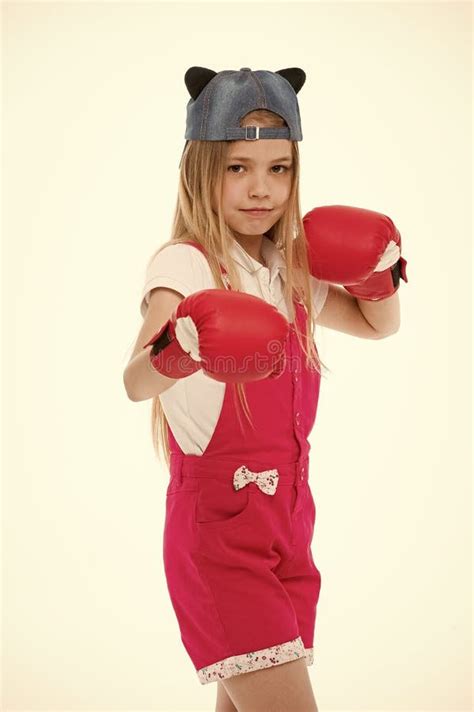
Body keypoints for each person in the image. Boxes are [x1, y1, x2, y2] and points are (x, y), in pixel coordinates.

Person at [123, 66, 408, 712]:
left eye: (279, 169)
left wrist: (383, 271)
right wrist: (183, 344)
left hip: (288, 527)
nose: (262, 189)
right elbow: (135, 380)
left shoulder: (292, 267)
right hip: (218, 537)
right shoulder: (186, 264)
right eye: (238, 168)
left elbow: (377, 325)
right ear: (201, 170)